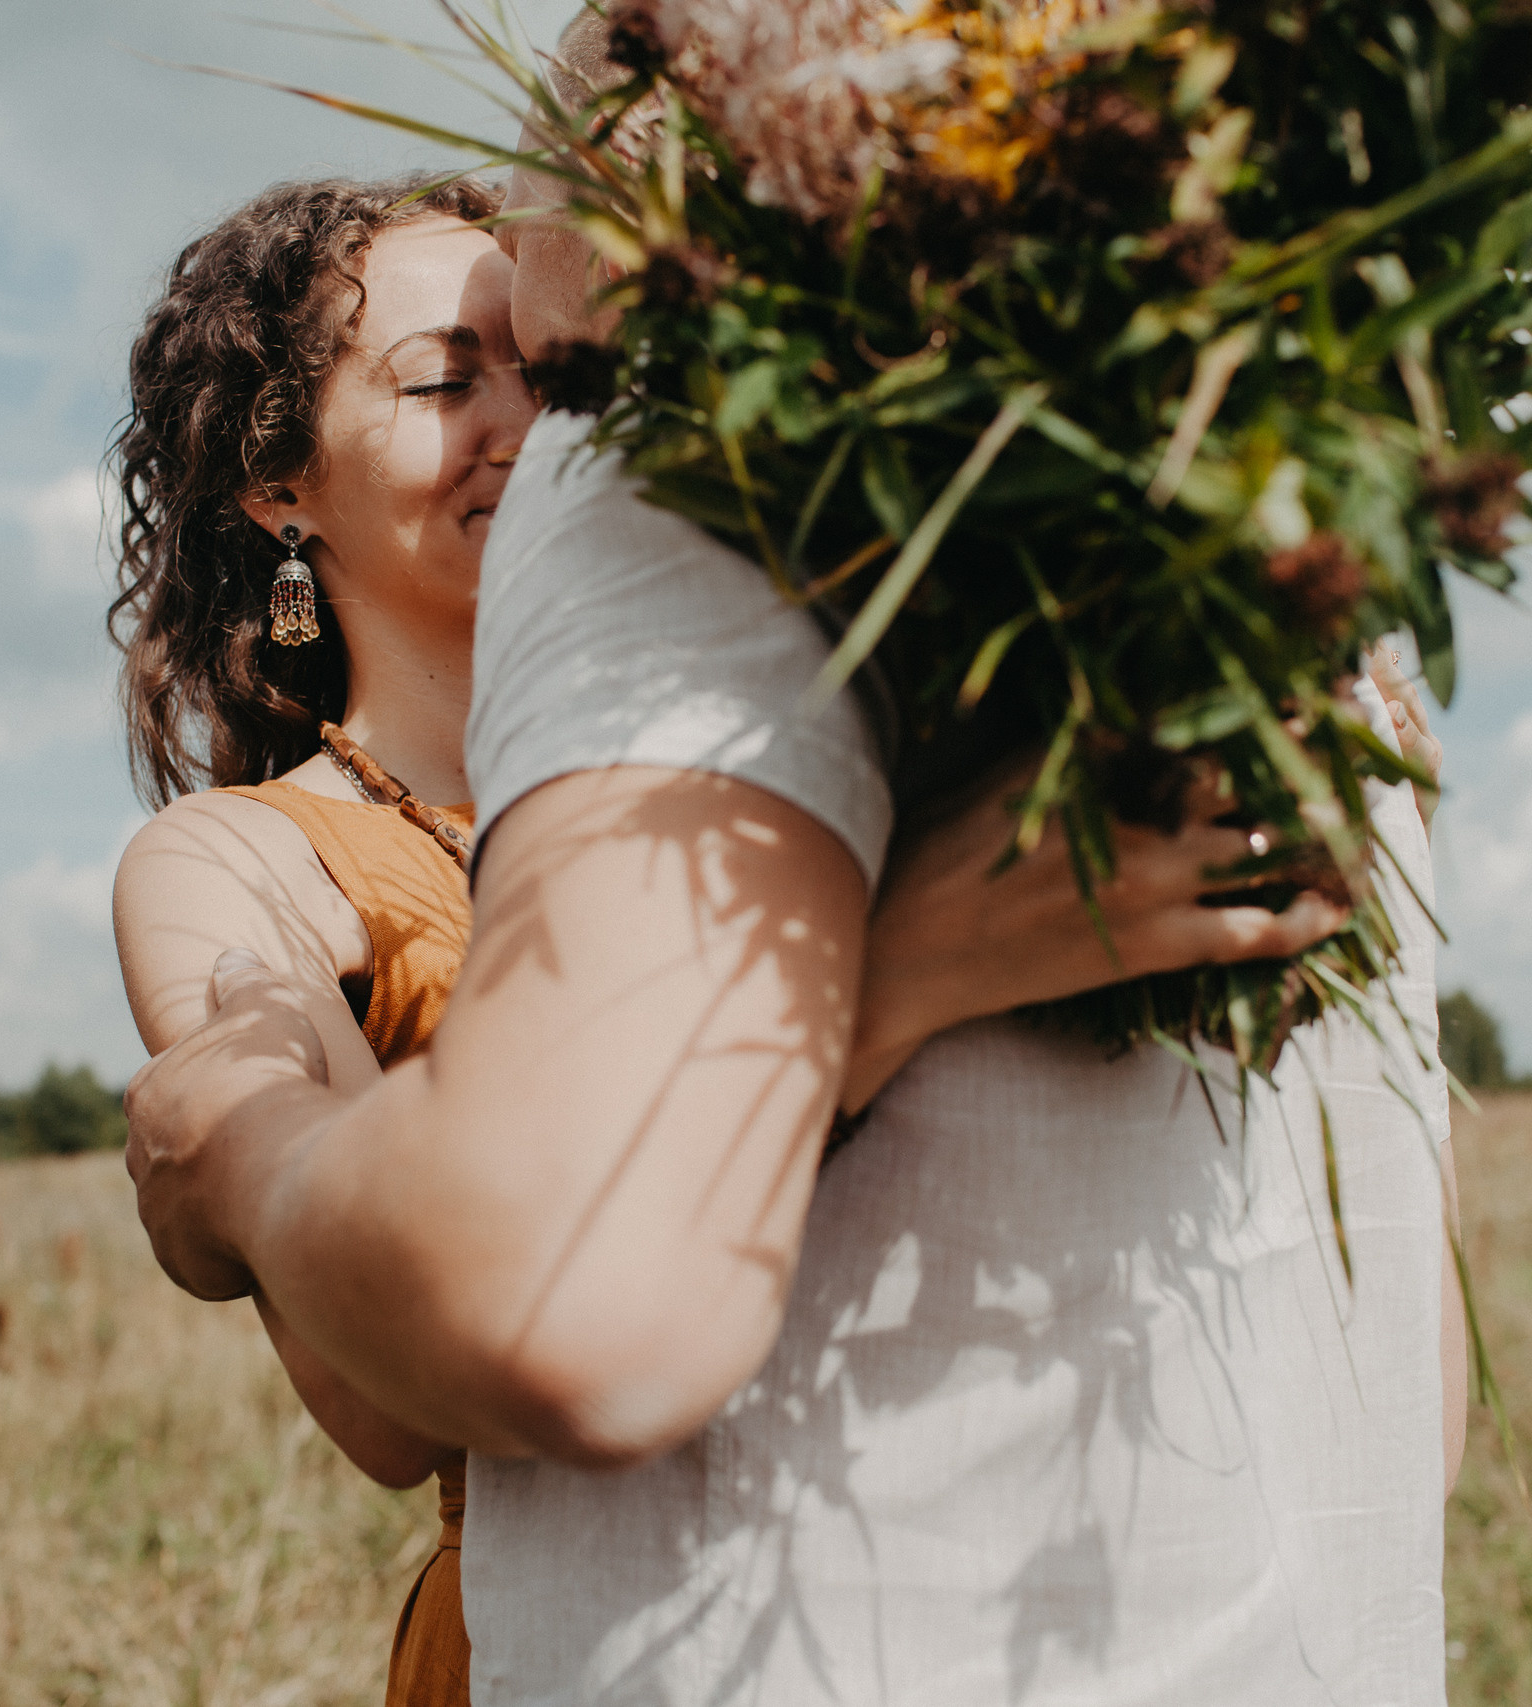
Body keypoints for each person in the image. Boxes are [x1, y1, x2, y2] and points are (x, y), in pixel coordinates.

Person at [107, 174, 1385, 1707]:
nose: (533, 423)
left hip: (1018, 1549)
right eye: (448, 384)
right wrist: (902, 966)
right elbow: (385, 1410)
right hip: (573, 1625)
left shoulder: (809, 733)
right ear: (278, 490)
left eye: (556, 367)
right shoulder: (234, 864)